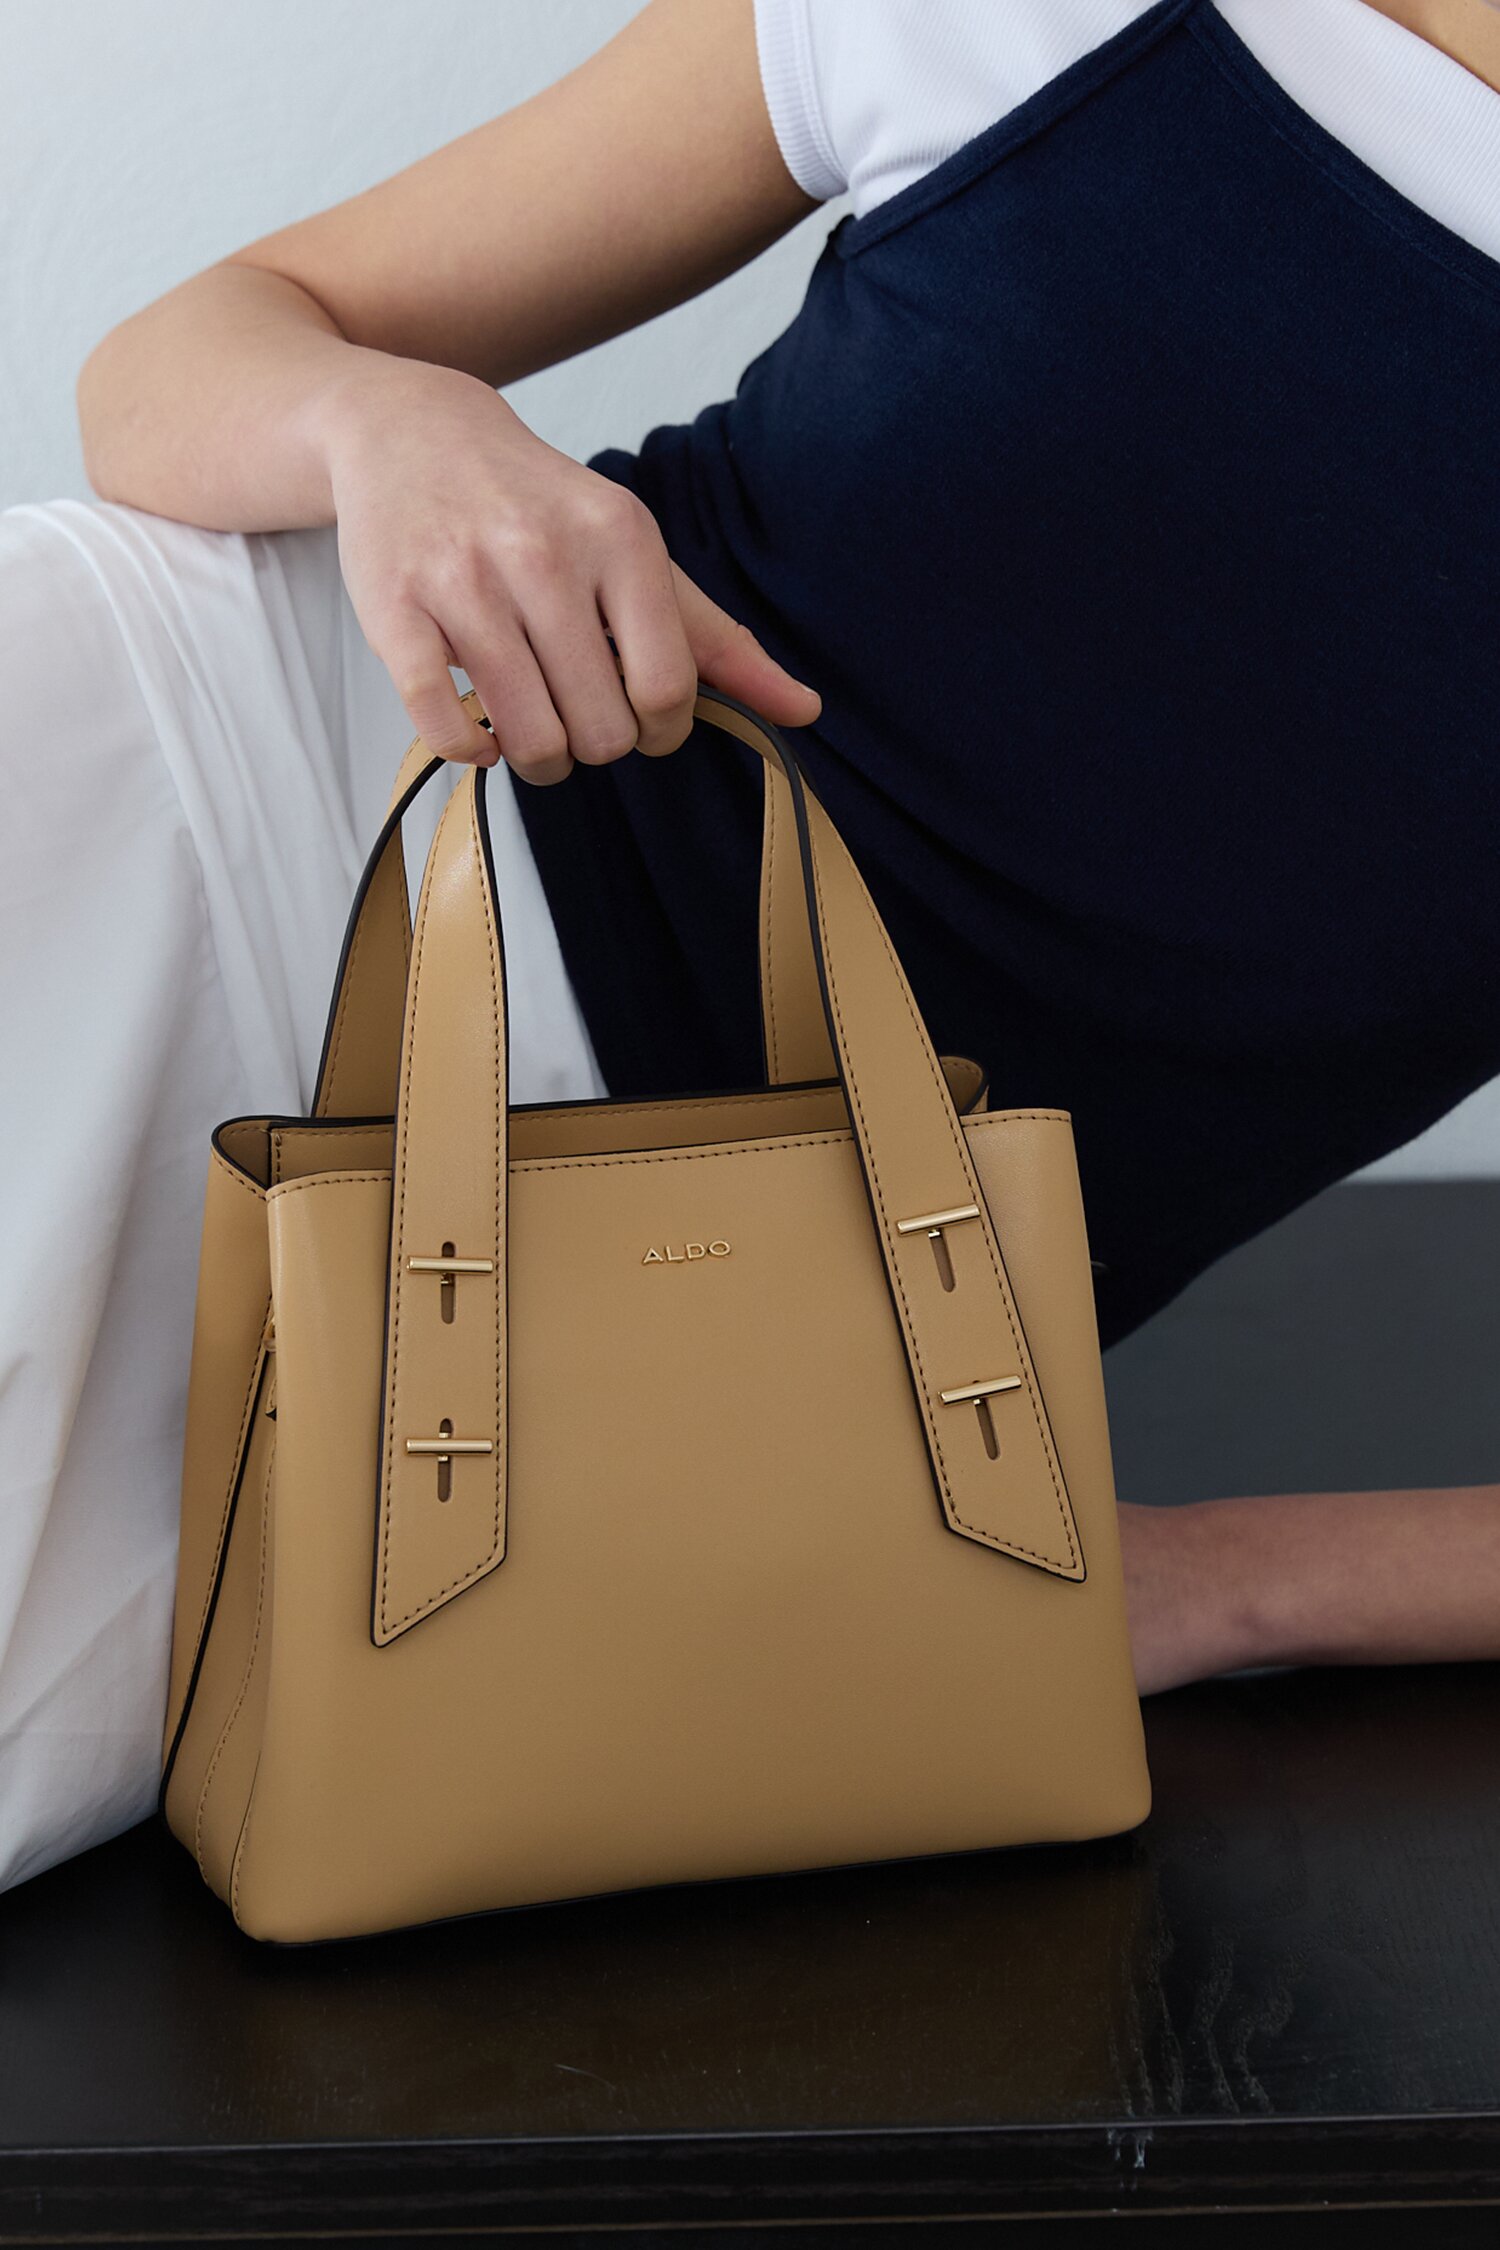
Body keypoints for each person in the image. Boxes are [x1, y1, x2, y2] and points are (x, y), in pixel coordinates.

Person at [4, 0, 1500, 1896]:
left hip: (701, 1387)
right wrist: (390, 422)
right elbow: (176, 358)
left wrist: (1216, 1583)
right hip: (216, 780)